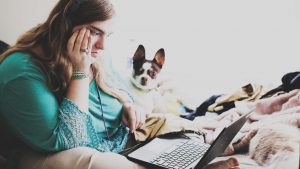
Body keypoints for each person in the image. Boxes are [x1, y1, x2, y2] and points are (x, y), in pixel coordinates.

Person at [0, 0, 241, 168]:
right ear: (64, 26)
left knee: (181, 132)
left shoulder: (97, 53)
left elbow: (121, 87)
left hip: (120, 137)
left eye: (108, 35)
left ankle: (189, 160)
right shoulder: (22, 71)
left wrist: (127, 103)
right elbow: (67, 141)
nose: (103, 46)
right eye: (95, 32)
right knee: (93, 162)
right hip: (57, 152)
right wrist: (81, 71)